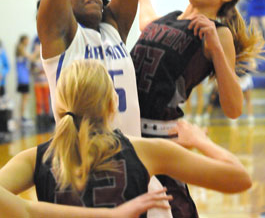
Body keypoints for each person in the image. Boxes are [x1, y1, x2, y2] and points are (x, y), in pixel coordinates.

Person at [36, 0, 172, 217]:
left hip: (136, 164)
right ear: (56, 0)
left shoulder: (112, 29)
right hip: (82, 169)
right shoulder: (59, 38)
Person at [0, 59, 251, 218]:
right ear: (113, 104)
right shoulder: (146, 151)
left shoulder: (34, 159)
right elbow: (239, 178)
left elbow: (22, 208)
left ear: (59, 105)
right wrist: (199, 140)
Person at [130, 0, 264, 217]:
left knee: (172, 209)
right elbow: (146, 18)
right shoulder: (165, 20)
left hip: (162, 139)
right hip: (128, 130)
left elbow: (234, 107)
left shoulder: (217, 32)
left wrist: (215, 47)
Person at [15, 34, 38, 126]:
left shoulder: (21, 49)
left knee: (24, 98)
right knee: (25, 98)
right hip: (23, 78)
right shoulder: (20, 48)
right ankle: (22, 119)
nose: (28, 42)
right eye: (27, 40)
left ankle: (22, 117)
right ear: (23, 40)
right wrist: (37, 50)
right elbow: (32, 58)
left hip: (23, 77)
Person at [30, 36, 51, 131]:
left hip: (46, 84)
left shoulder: (45, 59)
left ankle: (47, 121)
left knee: (46, 102)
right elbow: (32, 71)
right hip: (37, 84)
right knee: (39, 102)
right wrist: (36, 70)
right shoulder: (34, 61)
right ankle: (39, 122)